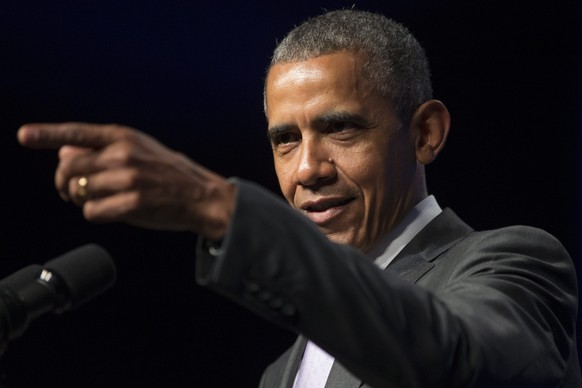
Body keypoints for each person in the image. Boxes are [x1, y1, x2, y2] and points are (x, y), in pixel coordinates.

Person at [17, 9, 580, 388]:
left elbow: (453, 359)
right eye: (285, 140)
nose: (307, 169)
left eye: (341, 130)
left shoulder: (517, 262)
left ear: (425, 134)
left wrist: (218, 206)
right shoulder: (280, 372)